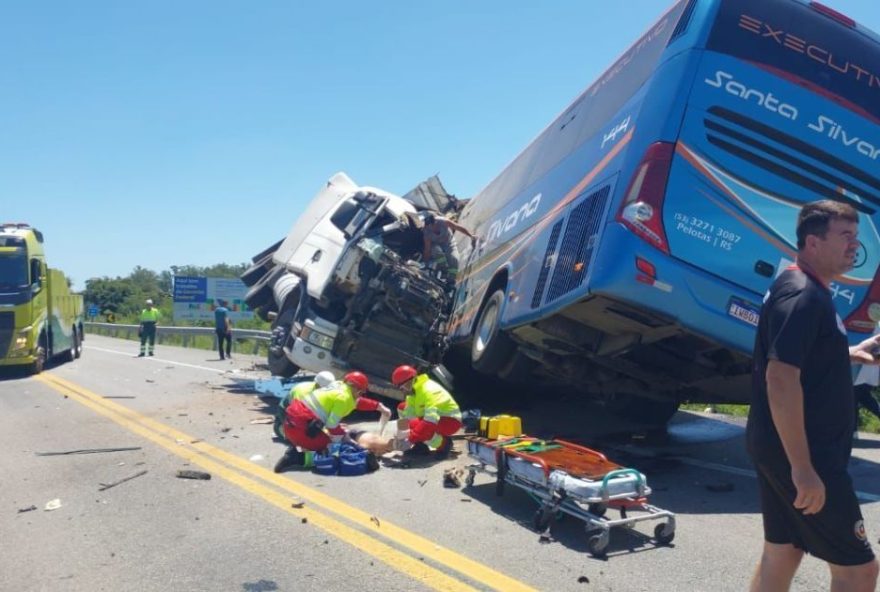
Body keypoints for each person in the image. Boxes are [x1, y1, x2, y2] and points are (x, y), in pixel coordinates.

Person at [747, 200, 880, 592]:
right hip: (807, 452)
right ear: (812, 242)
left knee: (782, 550)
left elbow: (799, 354)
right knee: (859, 570)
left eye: (856, 236)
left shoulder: (800, 287)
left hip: (780, 445)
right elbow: (781, 377)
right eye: (845, 236)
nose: (854, 246)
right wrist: (803, 468)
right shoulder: (804, 296)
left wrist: (850, 353)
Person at [274, 371, 392, 472]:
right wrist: (347, 440)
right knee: (333, 452)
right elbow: (332, 425)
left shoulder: (338, 386)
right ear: (355, 389)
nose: (360, 395)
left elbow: (357, 402)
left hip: (292, 423)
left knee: (335, 441)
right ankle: (296, 458)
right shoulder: (344, 398)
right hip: (301, 429)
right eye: (361, 392)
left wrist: (379, 406)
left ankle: (302, 449)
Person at [390, 365, 462, 457]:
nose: (401, 390)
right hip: (434, 419)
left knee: (418, 426)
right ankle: (420, 446)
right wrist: (402, 436)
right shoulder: (412, 393)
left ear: (409, 381)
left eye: (401, 387)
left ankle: (444, 445)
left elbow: (430, 421)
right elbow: (408, 415)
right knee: (402, 407)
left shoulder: (429, 390)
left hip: (450, 421)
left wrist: (410, 439)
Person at [272, 371, 336, 441]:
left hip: (305, 410)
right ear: (318, 384)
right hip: (287, 410)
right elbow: (298, 413)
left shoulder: (325, 391)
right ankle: (281, 429)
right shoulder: (302, 391)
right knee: (299, 437)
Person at [421, 212, 477, 284]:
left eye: (431, 225)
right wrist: (426, 263)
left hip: (448, 243)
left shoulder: (444, 222)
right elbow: (427, 249)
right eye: (428, 226)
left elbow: (458, 227)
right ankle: (444, 269)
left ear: (435, 222)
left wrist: (471, 236)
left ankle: (451, 280)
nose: (430, 228)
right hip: (437, 245)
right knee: (435, 250)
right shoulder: (426, 231)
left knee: (454, 259)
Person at [853, 362, 880, 430]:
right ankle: (852, 428)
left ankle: (852, 428)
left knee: (854, 399)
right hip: (866, 376)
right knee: (862, 399)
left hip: (861, 375)